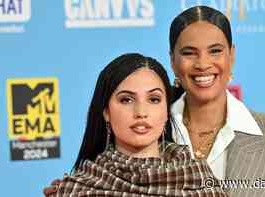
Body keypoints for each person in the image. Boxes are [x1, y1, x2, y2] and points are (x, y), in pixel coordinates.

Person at [169, 5, 265, 197]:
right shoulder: (147, 137)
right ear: (172, 61)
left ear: (231, 56)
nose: (203, 64)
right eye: (189, 53)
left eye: (215, 51)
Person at [44, 53, 227, 196]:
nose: (141, 112)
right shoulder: (76, 189)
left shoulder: (200, 182)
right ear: (106, 111)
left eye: (154, 99)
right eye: (126, 100)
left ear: (166, 110)